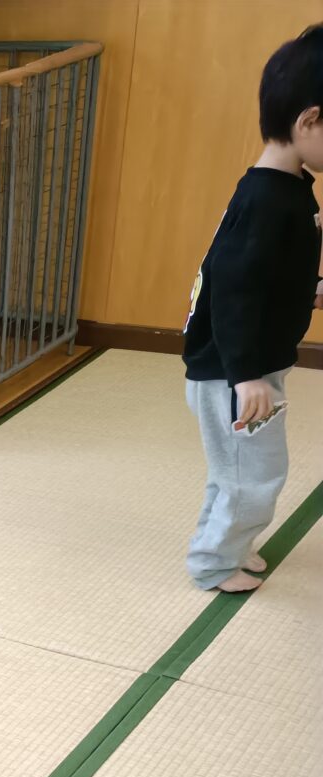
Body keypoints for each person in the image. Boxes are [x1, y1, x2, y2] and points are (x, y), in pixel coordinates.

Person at [183, 24, 323, 592]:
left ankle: (225, 546)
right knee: (254, 475)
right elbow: (234, 289)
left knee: (237, 470)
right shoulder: (268, 199)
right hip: (235, 372)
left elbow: (267, 276)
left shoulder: (285, 187)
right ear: (310, 120)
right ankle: (214, 563)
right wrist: (245, 377)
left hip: (245, 365)